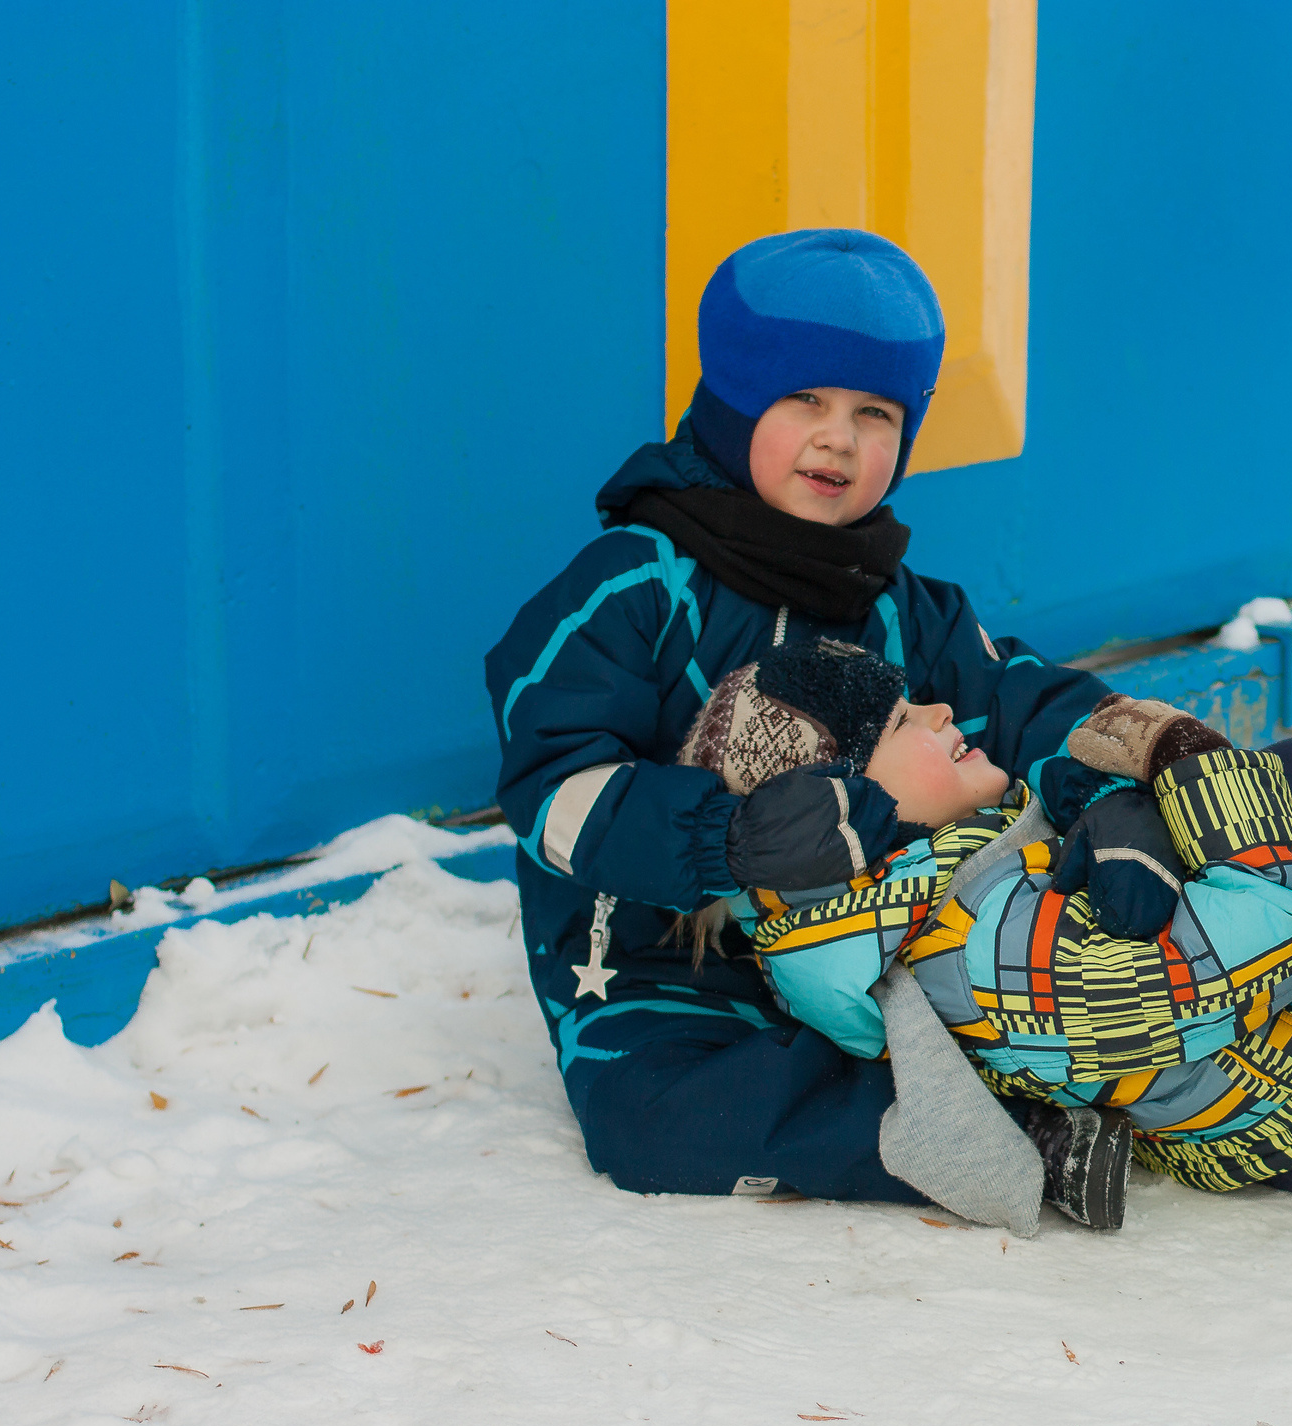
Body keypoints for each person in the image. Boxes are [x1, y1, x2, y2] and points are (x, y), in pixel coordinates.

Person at [484, 231, 1184, 1203]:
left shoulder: (906, 607)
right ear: (731, 402)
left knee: (1112, 936)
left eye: (875, 412)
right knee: (655, 1117)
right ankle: (1018, 1142)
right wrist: (730, 838)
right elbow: (551, 786)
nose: (839, 438)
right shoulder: (635, 588)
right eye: (802, 399)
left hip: (881, 948)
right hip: (663, 974)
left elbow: (1026, 701)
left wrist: (1118, 787)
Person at [699, 640, 1292, 1230]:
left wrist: (1113, 806)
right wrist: (1187, 759)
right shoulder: (989, 957)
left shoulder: (915, 885)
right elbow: (1274, 933)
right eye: (909, 720)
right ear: (852, 809)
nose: (945, 710)